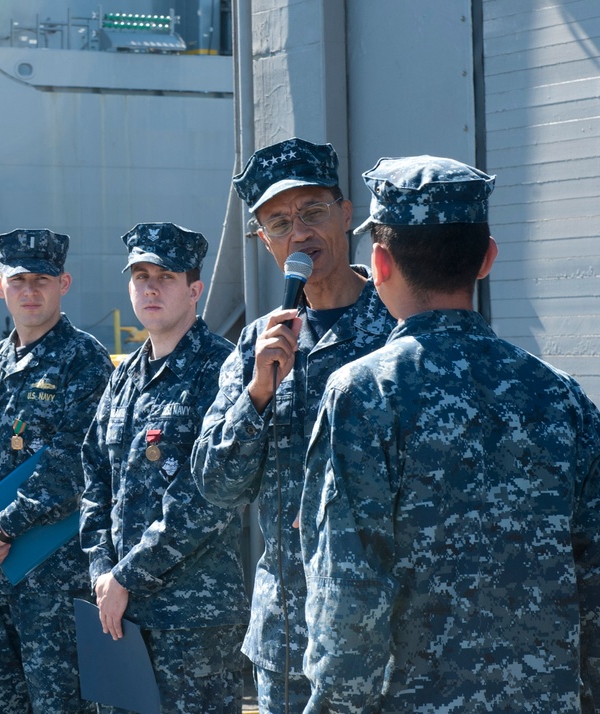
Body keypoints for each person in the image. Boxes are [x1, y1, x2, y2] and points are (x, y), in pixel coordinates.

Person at [299, 155, 600, 713]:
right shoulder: (562, 397)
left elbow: (349, 590)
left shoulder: (364, 395)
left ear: (380, 262)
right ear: (486, 259)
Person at [190, 138, 396, 712]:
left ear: (347, 214)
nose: (299, 234)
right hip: (288, 640)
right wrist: (258, 392)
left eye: (313, 212)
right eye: (278, 223)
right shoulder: (260, 343)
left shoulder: (397, 328)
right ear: (263, 243)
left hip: (384, 638)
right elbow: (215, 485)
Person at [0, 229, 112, 714]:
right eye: (18, 281)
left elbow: (72, 468)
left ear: (64, 283)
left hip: (51, 588)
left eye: (42, 279)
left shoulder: (86, 363)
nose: (30, 291)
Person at [80, 223, 249, 713]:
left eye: (166, 276)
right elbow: (94, 478)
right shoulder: (125, 377)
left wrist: (126, 578)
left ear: (195, 290)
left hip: (192, 620)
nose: (150, 287)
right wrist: (101, 572)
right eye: (140, 275)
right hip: (118, 613)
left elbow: (206, 498)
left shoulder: (221, 369)